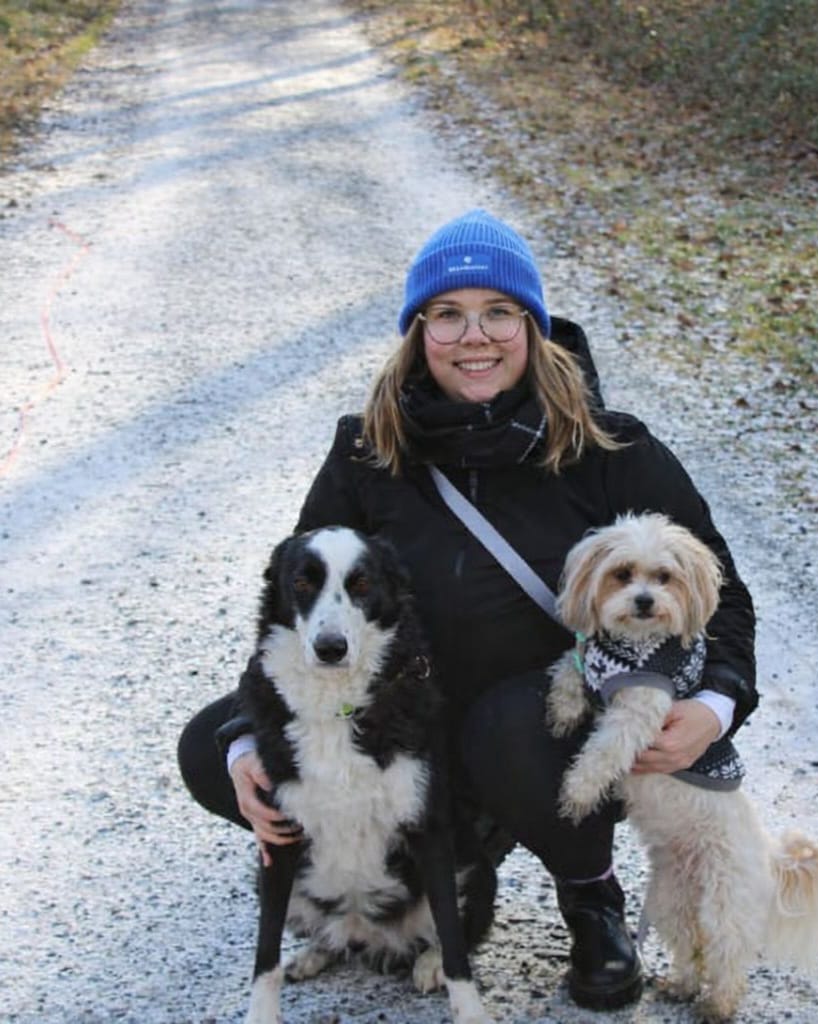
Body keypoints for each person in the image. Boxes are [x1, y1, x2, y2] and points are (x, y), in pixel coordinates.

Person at [177, 209, 757, 1011]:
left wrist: (714, 705)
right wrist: (249, 735)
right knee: (210, 747)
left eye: (498, 312)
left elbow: (724, 599)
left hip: (538, 736)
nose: (473, 336)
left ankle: (589, 895)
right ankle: (408, 870)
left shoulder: (610, 448)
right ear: (419, 333)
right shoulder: (366, 450)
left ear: (532, 326)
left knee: (510, 722)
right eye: (446, 314)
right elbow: (294, 603)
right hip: (403, 727)